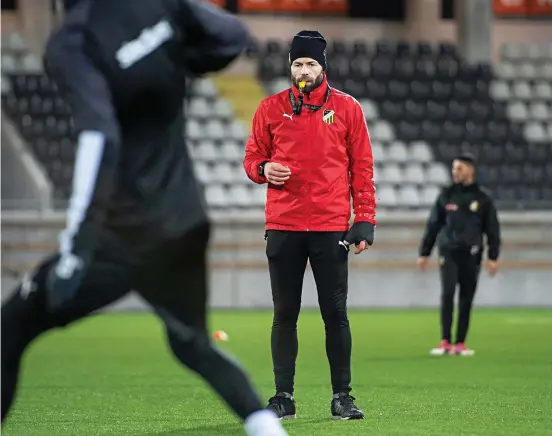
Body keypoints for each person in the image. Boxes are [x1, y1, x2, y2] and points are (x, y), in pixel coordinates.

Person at [0, 1, 289, 435]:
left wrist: (76, 250)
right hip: (183, 223)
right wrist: (178, 58)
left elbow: (99, 138)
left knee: (10, 327)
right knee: (191, 344)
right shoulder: (157, 4)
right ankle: (266, 427)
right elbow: (230, 35)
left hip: (119, 239)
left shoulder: (74, 42)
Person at [243, 30, 376, 420]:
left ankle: (342, 397)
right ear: (290, 66)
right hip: (283, 225)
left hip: (330, 225)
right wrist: (264, 168)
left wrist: (365, 219)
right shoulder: (268, 109)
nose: (304, 70)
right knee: (285, 313)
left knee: (335, 315)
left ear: (323, 67)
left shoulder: (348, 109)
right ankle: (283, 396)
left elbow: (362, 168)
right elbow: (252, 158)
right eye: (298, 63)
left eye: (311, 64)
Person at [417, 154, 501, 356]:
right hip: (448, 251)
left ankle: (460, 343)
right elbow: (433, 225)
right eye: (454, 168)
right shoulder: (446, 195)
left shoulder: (483, 198)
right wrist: (424, 252)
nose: (455, 172)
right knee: (447, 294)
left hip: (472, 253)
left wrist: (493, 257)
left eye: (460, 168)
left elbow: (492, 229)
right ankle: (445, 341)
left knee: (466, 297)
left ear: (471, 171)